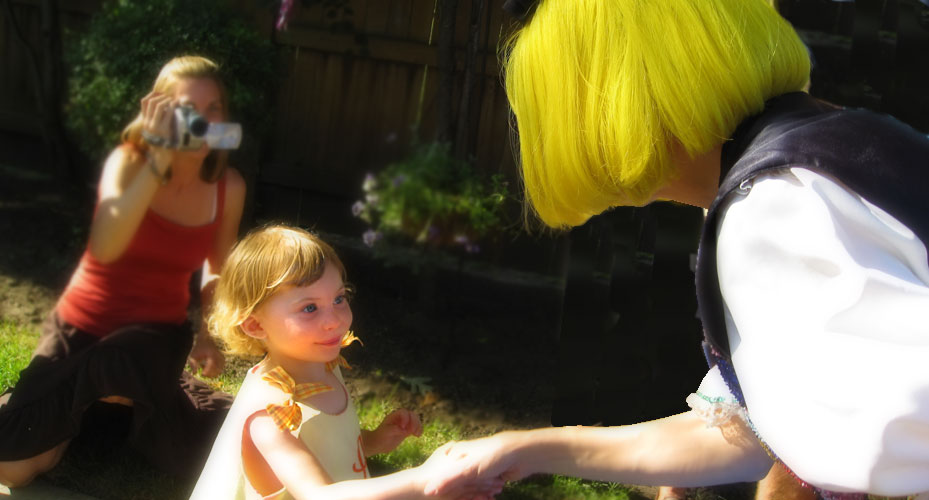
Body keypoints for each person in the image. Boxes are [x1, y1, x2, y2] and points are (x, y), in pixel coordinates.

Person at [422, 0, 929, 498]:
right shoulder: (830, 147)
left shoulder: (773, 205)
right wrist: (523, 450)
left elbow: (900, 423)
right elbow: (756, 431)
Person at [0, 55, 246, 488]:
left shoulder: (230, 187)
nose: (203, 121)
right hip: (82, 326)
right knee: (12, 469)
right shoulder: (128, 162)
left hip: (154, 334)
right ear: (160, 112)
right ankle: (91, 404)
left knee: (198, 454)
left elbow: (216, 267)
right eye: (189, 109)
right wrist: (158, 161)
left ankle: (122, 398)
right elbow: (106, 245)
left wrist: (207, 333)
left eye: (214, 110)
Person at [189, 225, 504, 500]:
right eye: (309, 308)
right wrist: (424, 481)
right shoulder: (271, 415)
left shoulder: (323, 365)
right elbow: (321, 495)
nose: (335, 320)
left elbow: (327, 448)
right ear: (256, 326)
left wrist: (373, 440)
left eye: (339, 298)